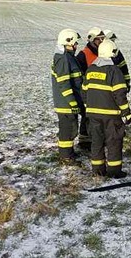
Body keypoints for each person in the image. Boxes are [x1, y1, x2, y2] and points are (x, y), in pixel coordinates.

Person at [82, 39, 131, 178]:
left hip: (93, 114)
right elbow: (120, 95)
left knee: (96, 142)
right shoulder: (114, 71)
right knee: (114, 141)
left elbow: (84, 91)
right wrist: (127, 113)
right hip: (111, 115)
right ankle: (114, 171)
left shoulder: (91, 70)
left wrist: (89, 107)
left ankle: (98, 170)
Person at [51, 29, 84, 161]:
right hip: (66, 103)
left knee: (71, 129)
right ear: (67, 42)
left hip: (69, 102)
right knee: (67, 130)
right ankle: (66, 157)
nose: (76, 46)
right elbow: (64, 83)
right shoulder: (64, 59)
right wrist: (72, 102)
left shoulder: (68, 57)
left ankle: (68, 153)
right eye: (74, 44)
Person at [76, 27, 105, 146]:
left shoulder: (101, 52)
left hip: (99, 90)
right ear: (92, 40)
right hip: (88, 91)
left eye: (103, 39)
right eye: (99, 39)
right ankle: (84, 139)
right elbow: (79, 76)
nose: (101, 42)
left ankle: (97, 137)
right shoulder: (83, 55)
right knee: (86, 115)